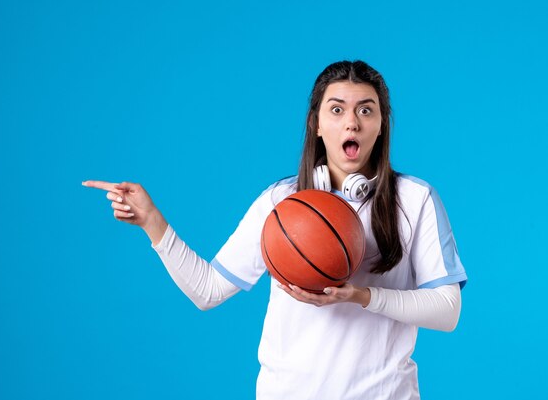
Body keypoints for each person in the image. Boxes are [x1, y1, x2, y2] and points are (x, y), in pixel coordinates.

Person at [82, 60, 467, 400]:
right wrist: (153, 223)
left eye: (366, 110)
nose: (352, 121)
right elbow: (208, 290)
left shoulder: (414, 200)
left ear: (381, 125)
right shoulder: (280, 201)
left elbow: (447, 311)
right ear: (316, 124)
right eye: (337, 110)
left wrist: (361, 296)